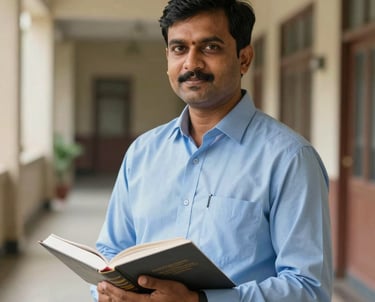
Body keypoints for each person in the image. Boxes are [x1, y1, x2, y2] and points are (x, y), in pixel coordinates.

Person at [91, 0, 333, 301]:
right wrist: (104, 291)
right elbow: (111, 252)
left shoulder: (289, 159)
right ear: (168, 58)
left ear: (244, 59)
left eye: (210, 47)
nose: (191, 64)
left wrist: (200, 300)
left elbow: (309, 288)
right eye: (179, 49)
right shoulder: (142, 153)